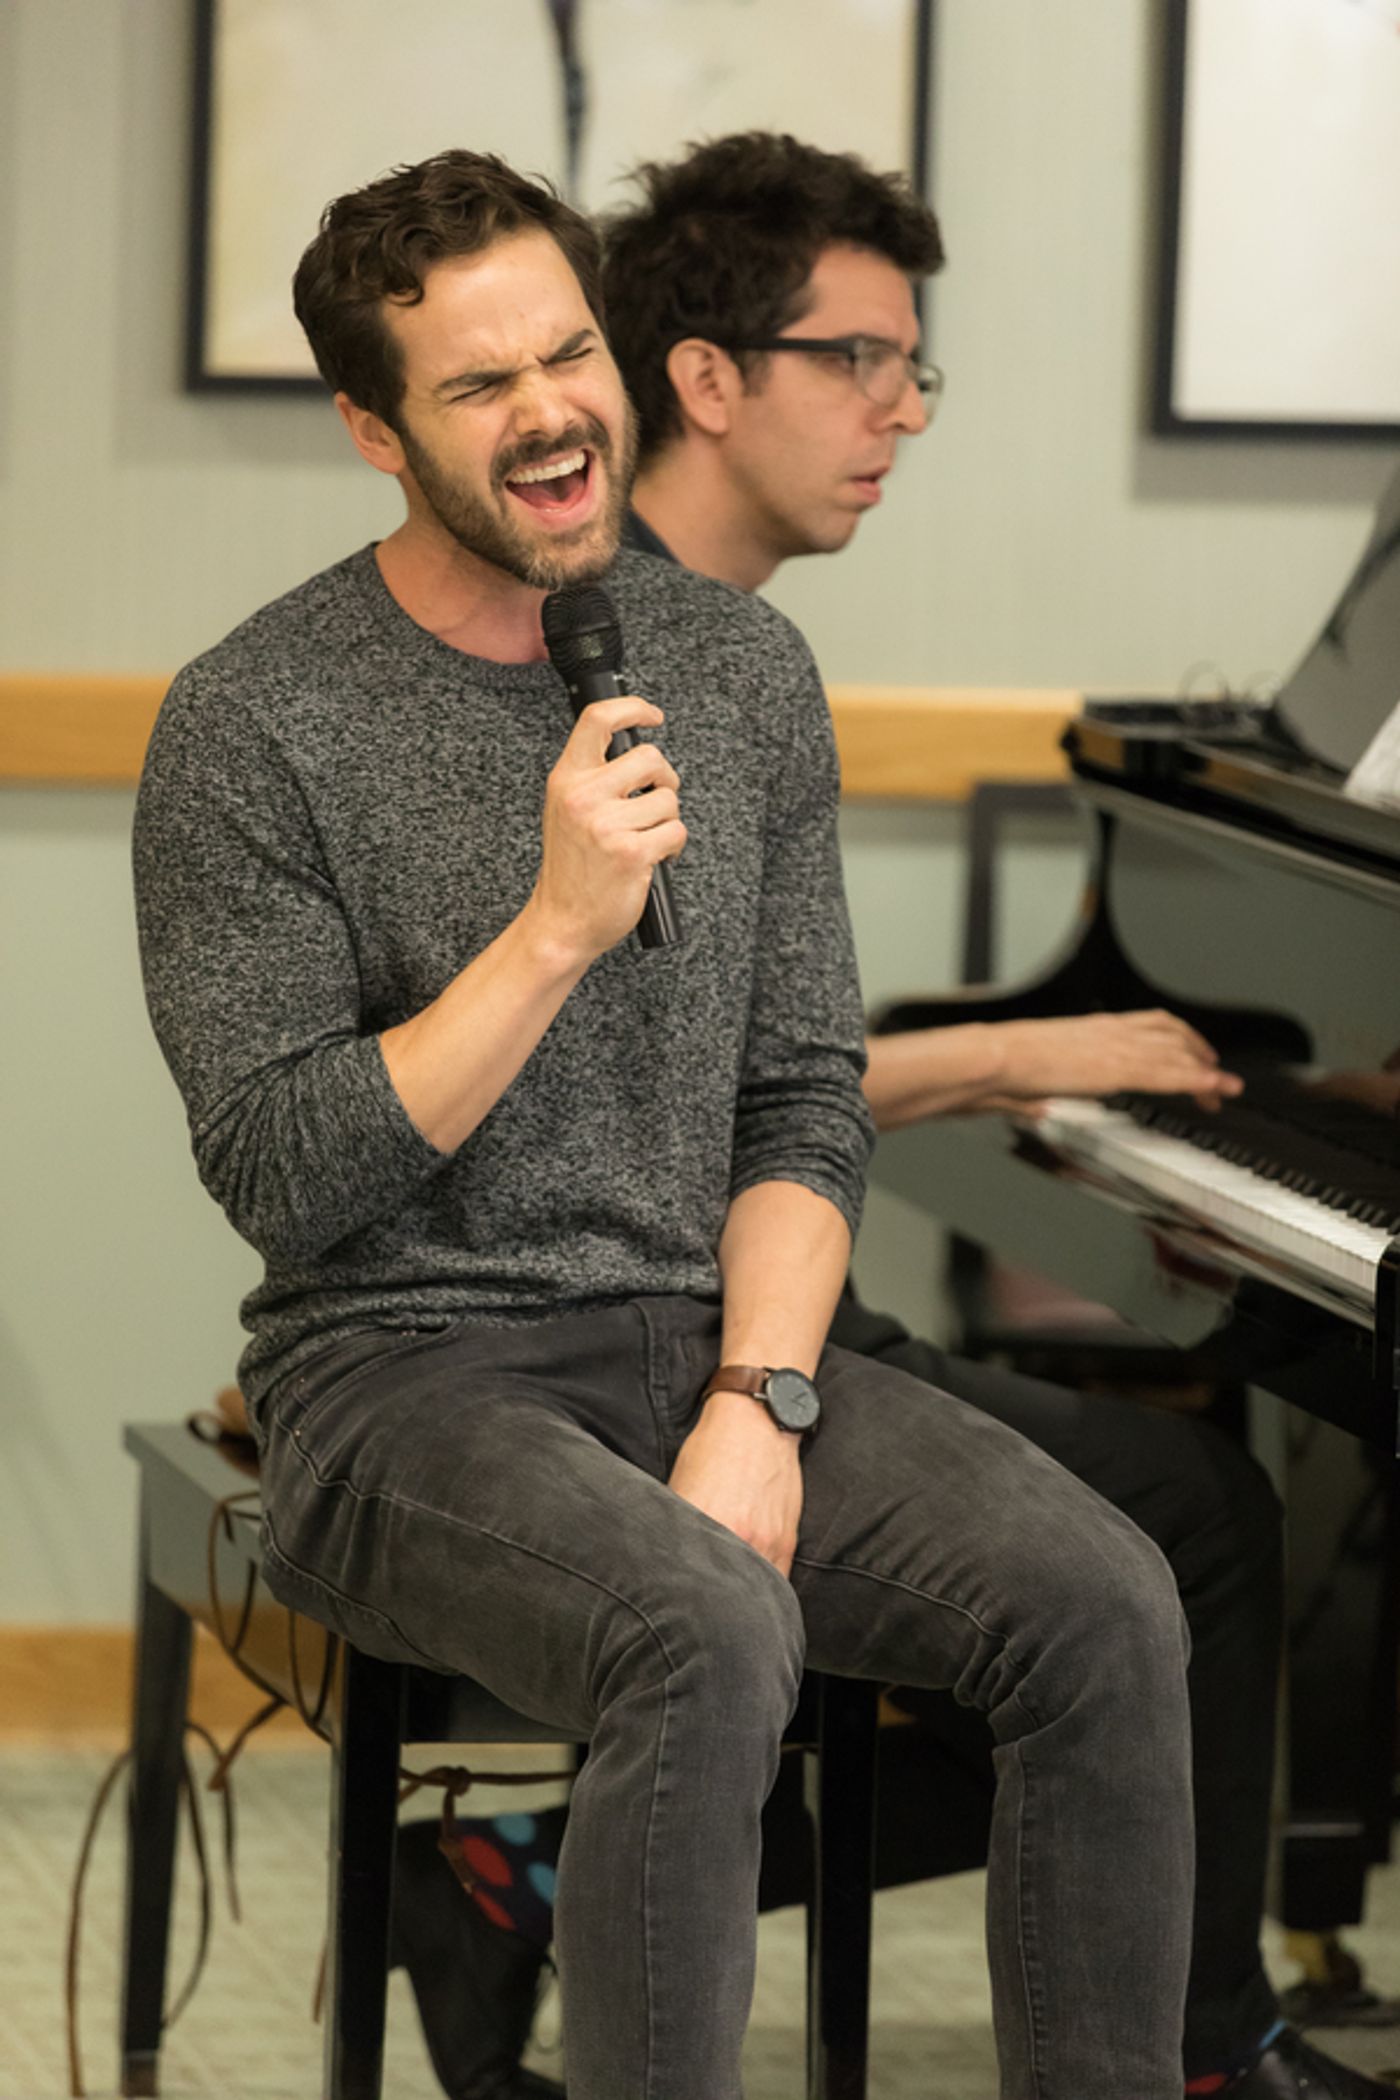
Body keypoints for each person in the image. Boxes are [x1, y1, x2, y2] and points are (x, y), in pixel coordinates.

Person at [133, 148, 1200, 2100]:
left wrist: (764, 1397)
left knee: (1106, 1603)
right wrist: (550, 931)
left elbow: (801, 1097)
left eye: (565, 353)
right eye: (477, 384)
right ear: (375, 428)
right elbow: (284, 1175)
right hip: (404, 1379)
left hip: (703, 1335)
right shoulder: (252, 721)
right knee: (705, 1633)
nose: (550, 411)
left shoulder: (736, 666)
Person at [593, 129, 1395, 2100]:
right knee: (1178, 1532)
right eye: (862, 361)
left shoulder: (711, 638)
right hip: (666, 1321)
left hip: (727, 1285)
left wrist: (1027, 1063)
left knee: (1157, 1524)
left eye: (912, 365)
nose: (905, 411)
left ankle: (535, 1864)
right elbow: (686, 1109)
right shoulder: (643, 665)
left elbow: (752, 1066)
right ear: (708, 379)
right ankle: (1198, 2054)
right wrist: (1026, 1058)